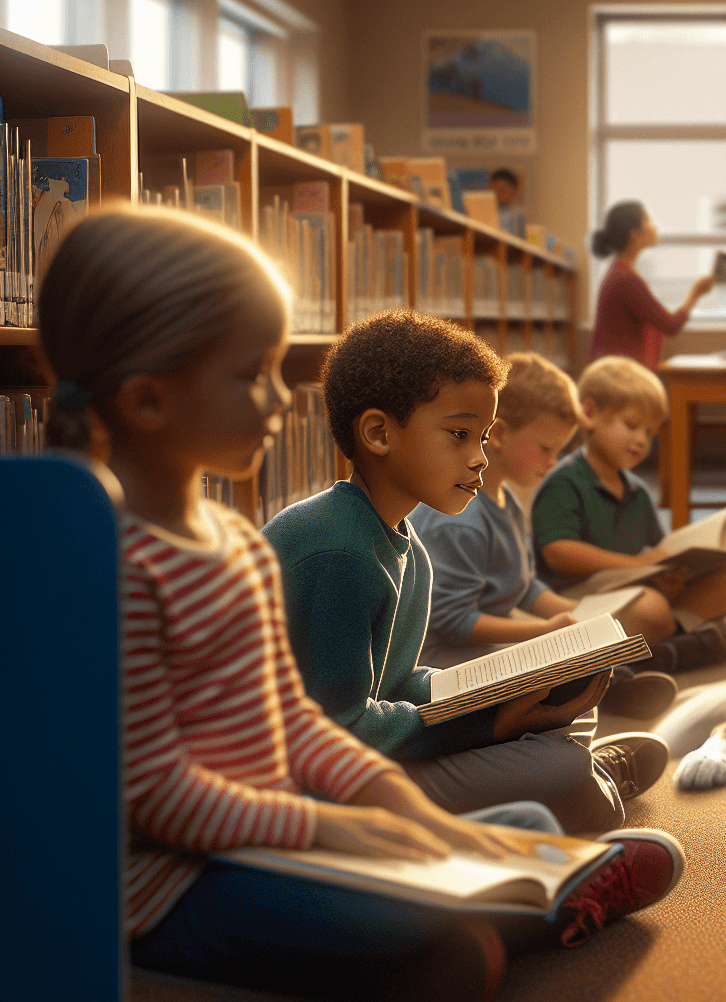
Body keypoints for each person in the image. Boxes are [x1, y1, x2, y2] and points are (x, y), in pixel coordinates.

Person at [35, 208, 682, 1000]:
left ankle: (452, 939)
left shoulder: (233, 545)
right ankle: (485, 928)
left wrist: (405, 817)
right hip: (171, 888)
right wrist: (340, 828)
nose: (280, 399)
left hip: (275, 835)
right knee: (435, 885)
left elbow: (296, 721)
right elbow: (156, 795)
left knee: (524, 837)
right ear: (146, 401)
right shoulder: (116, 562)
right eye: (252, 375)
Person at [265, 311, 663, 836]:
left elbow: (400, 681)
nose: (479, 458)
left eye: (482, 437)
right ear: (379, 434)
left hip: (371, 743)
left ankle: (577, 773)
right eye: (458, 435)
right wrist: (489, 724)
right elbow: (340, 730)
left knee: (566, 714)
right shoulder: (337, 554)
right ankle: (585, 780)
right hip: (312, 779)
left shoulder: (409, 546)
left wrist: (504, 691)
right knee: (562, 769)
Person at [410, 351, 678, 723]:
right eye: (546, 449)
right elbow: (453, 623)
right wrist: (541, 631)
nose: (553, 462)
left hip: (483, 646)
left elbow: (522, 586)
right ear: (500, 434)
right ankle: (611, 688)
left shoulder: (508, 503)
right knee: (557, 667)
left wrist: (576, 616)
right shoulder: (460, 519)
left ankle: (613, 681)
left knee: (580, 646)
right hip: (444, 667)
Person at [533, 354, 726, 673]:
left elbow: (657, 551)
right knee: (651, 609)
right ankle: (679, 644)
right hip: (576, 597)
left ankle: (664, 647)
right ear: (590, 414)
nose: (641, 440)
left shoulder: (637, 490)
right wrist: (636, 564)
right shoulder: (565, 481)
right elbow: (558, 553)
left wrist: (671, 574)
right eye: (632, 426)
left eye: (649, 433)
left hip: (630, 586)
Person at [587, 200, 714, 368]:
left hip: (613, 370)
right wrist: (696, 293)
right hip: (619, 375)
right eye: (649, 221)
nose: (655, 227)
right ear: (635, 234)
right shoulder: (626, 279)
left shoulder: (619, 272)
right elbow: (670, 325)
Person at [489, 167, 525, 238]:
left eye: (502, 190)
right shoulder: (489, 214)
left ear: (514, 190)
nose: (497, 195)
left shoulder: (520, 216)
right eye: (493, 192)